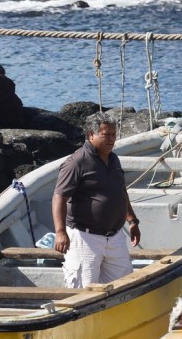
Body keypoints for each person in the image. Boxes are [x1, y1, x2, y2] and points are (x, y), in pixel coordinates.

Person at [52, 112, 141, 288]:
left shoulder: (114, 159)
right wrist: (60, 232)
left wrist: (132, 221)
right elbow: (59, 197)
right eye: (105, 135)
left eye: (114, 134)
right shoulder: (77, 162)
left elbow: (121, 191)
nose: (111, 139)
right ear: (91, 135)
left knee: (124, 287)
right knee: (84, 290)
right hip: (85, 237)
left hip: (114, 236)